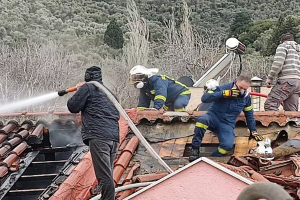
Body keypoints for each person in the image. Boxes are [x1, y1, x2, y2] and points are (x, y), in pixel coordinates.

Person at [67, 66, 119, 200]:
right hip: (113, 138)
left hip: (99, 137)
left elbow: (73, 106)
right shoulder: (109, 93)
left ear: (87, 76)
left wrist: (80, 90)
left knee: (104, 176)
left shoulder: (88, 88)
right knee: (108, 172)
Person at [189, 75, 263, 162]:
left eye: (245, 89)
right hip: (213, 117)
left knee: (227, 145)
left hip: (227, 124)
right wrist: (223, 94)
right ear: (235, 83)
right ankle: (195, 149)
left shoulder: (246, 98)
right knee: (202, 120)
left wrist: (253, 131)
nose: (242, 90)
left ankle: (212, 158)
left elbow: (249, 114)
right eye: (240, 87)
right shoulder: (223, 88)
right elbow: (204, 98)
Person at [265, 33, 300, 111]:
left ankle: (274, 123)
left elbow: (278, 64)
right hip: (297, 83)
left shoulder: (283, 46)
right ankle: (293, 123)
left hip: (286, 81)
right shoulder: (298, 49)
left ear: (281, 41)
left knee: (270, 104)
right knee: (291, 110)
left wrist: (269, 79)